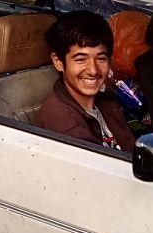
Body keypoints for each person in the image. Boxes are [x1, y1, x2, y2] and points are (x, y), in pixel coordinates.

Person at [34, 11, 136, 152]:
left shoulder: (105, 100)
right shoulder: (67, 126)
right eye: (81, 59)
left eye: (101, 59)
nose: (93, 70)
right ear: (58, 62)